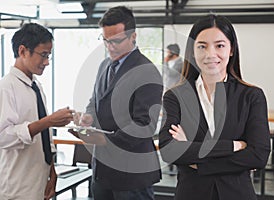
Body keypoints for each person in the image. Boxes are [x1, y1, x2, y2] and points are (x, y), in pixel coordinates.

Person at [159, 14, 270, 200]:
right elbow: (169, 151)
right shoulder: (175, 97)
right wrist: (236, 145)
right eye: (202, 46)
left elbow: (258, 155)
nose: (210, 54)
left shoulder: (251, 96)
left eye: (219, 45)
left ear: (231, 49)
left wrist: (194, 155)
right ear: (193, 51)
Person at [70, 6, 162, 200]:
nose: (110, 47)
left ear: (133, 36)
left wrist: (106, 140)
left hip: (132, 173)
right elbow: (95, 101)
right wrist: (88, 117)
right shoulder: (105, 65)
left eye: (116, 41)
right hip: (103, 170)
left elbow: (145, 124)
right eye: (105, 40)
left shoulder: (147, 71)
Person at [0, 23, 74, 200]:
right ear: (23, 51)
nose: (47, 62)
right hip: (16, 186)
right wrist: (48, 121)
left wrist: (52, 171)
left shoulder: (35, 86)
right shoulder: (6, 88)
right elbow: (2, 136)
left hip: (39, 179)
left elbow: (44, 137)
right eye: (43, 55)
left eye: (49, 56)